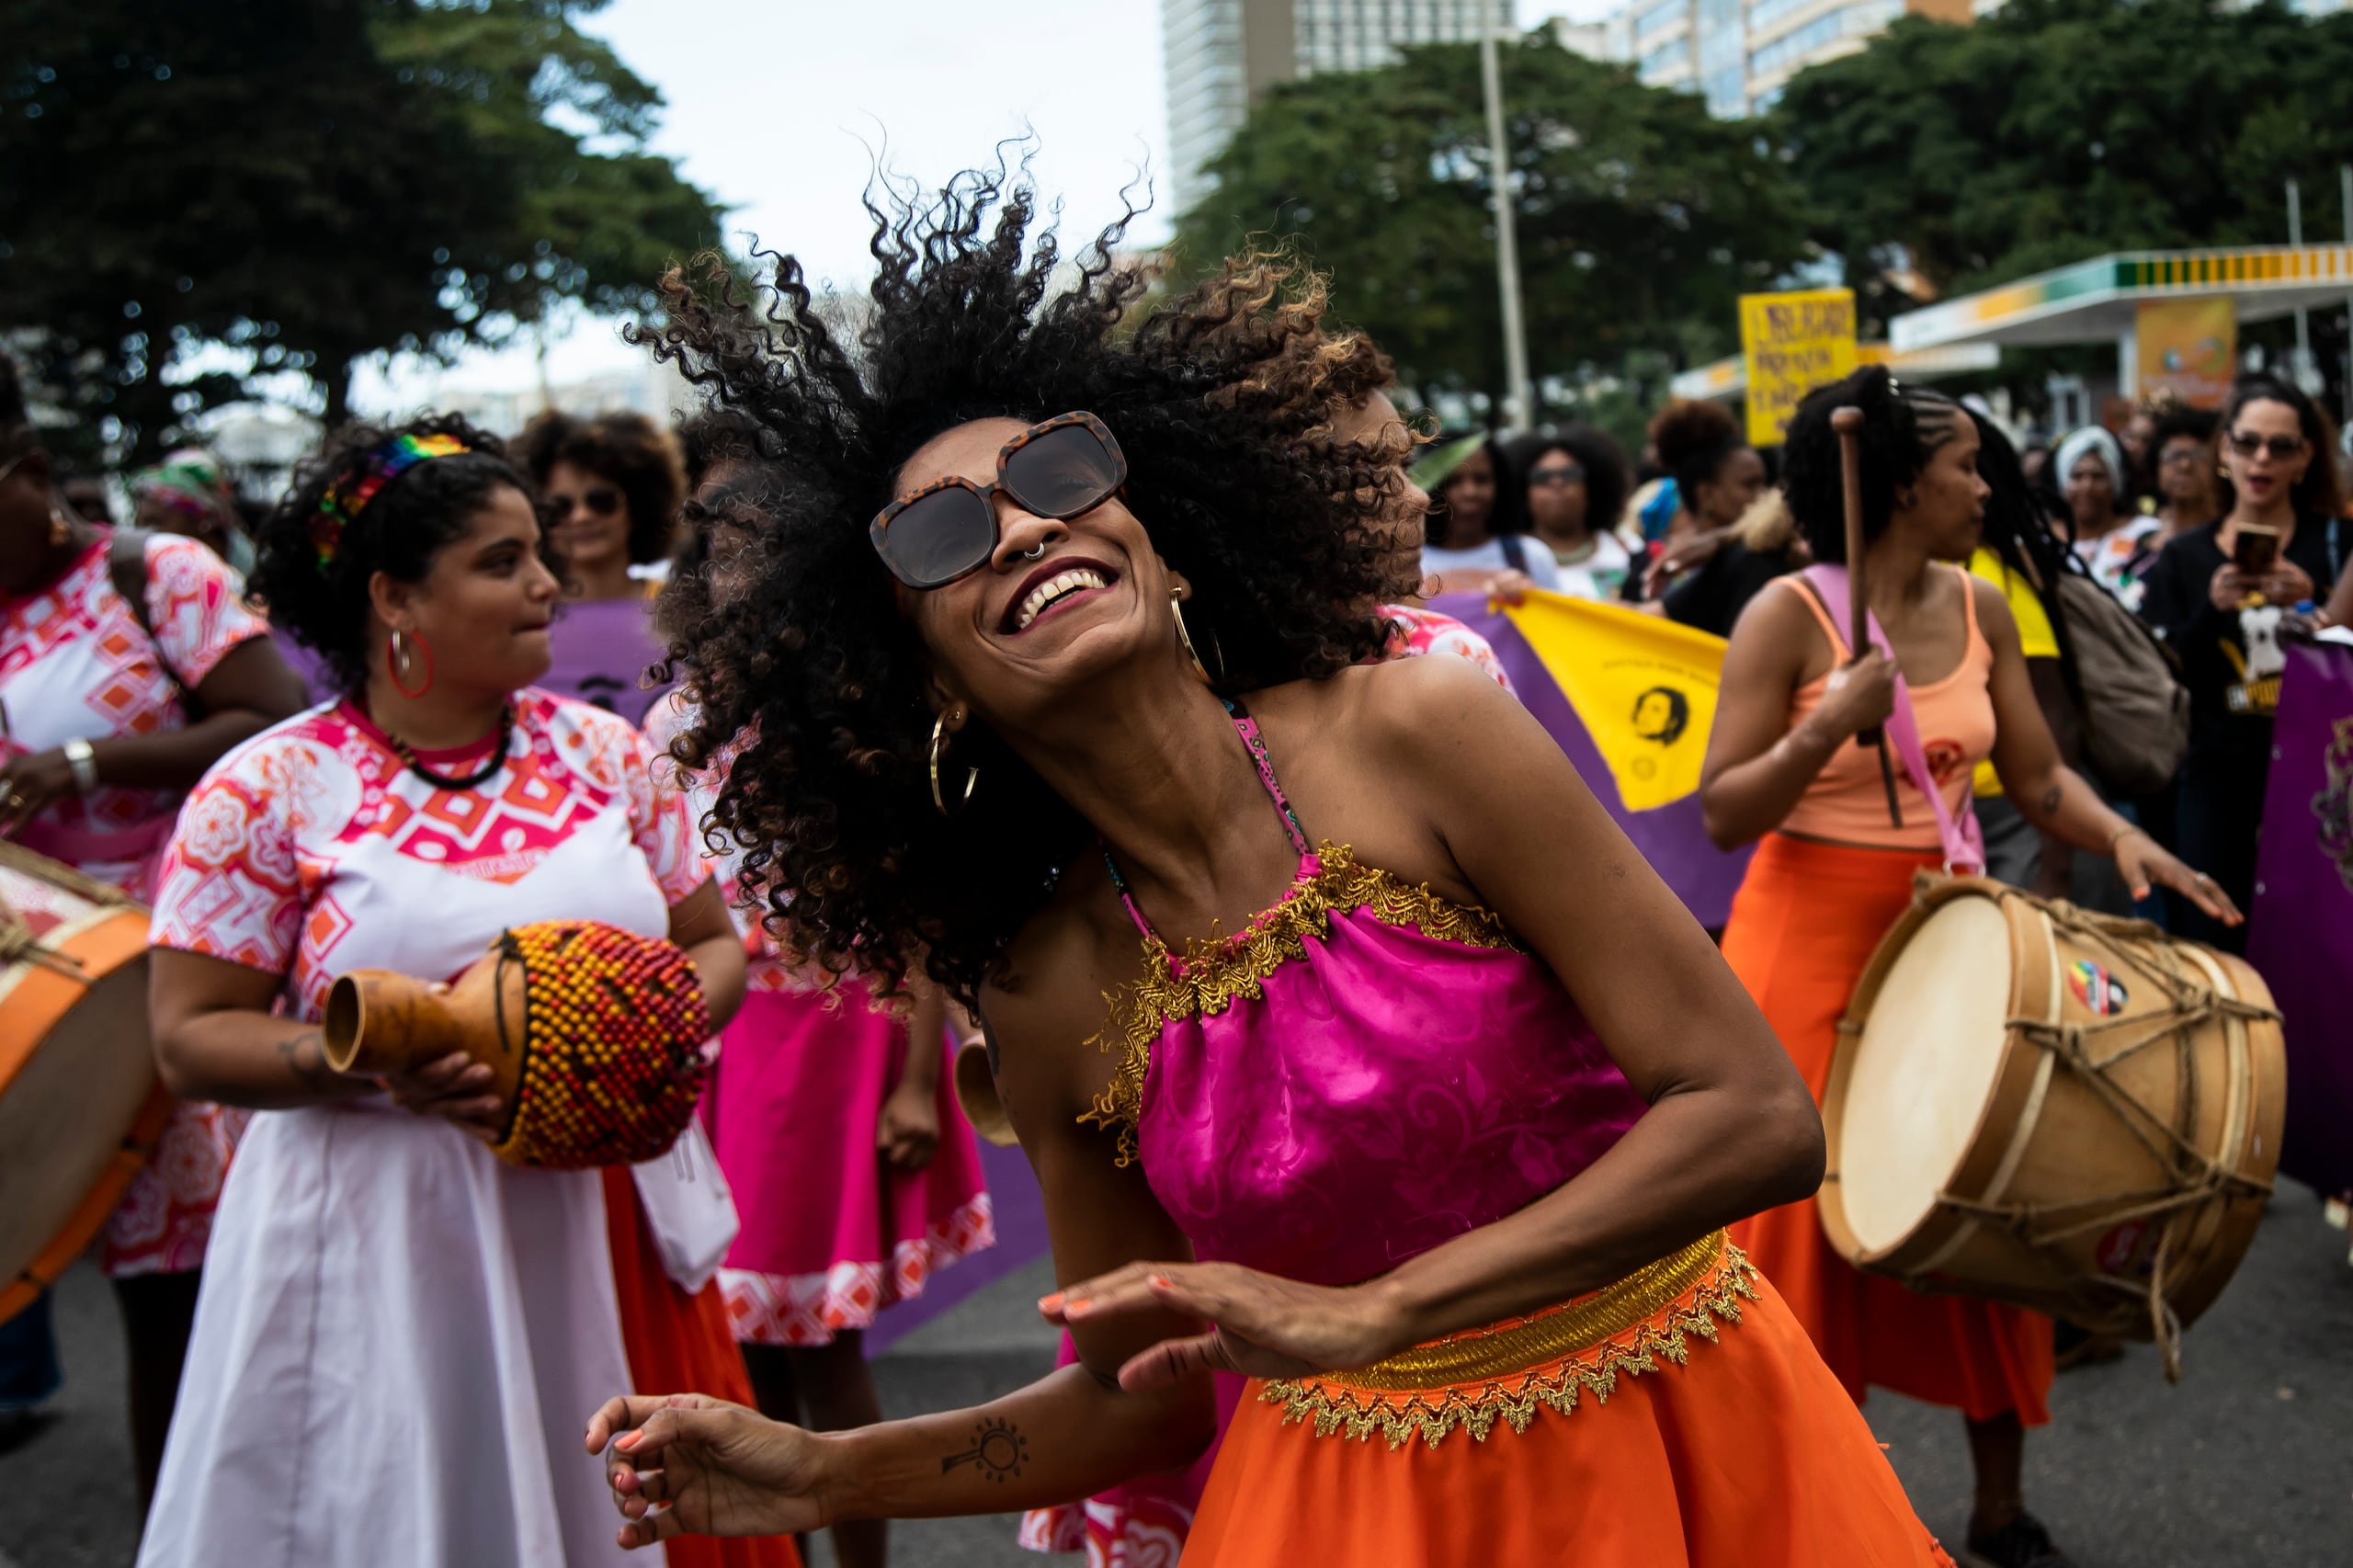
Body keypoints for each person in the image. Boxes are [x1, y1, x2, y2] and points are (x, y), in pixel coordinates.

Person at [586, 168, 1953, 1567]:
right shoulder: (1046, 988)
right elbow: (1133, 1398)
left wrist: (1383, 1309)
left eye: (1059, 473)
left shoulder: (1417, 730)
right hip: (1347, 1516)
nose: (1021, 526)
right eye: (941, 536)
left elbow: (1753, 1116)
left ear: (1167, 549)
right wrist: (822, 1469)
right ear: (923, 676)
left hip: (1683, 1445)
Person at [135, 414, 795, 1568]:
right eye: (502, 562)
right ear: (393, 597)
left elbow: (715, 943)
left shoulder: (610, 753)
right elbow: (188, 1037)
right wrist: (373, 1056)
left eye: (539, 550)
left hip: (607, 1213)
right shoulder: (268, 787)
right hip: (382, 1233)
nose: (549, 582)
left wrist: (623, 1028)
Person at [1701, 367, 2236, 1568]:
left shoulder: (1982, 604)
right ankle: (1823, 1514)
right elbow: (1728, 810)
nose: (1987, 487)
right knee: (1805, 1240)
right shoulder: (1787, 612)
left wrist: (2126, 834)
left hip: (1945, 939)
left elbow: (2039, 781)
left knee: (1996, 1194)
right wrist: (1826, 724)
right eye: (1966, 468)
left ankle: (2001, 1510)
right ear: (1900, 483)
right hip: (1804, 944)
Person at [648, 454, 996, 1568]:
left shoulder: (865, 697)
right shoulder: (675, 714)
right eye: (721, 540)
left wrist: (914, 1079)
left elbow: (916, 904)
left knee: (818, 1340)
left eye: (767, 538)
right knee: (729, 1343)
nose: (741, 563)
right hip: (713, 1042)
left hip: (834, 1044)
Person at [0, 353, 309, 1506]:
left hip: (194, 962)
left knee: (202, 1289)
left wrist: (86, 762)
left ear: (30, 474)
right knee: (113, 1275)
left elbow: (274, 716)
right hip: (49, 985)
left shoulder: (155, 574)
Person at [2138, 376, 2348, 953]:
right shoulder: (2183, 557)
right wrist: (2211, 609)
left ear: (2306, 457)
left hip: (2319, 782)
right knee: (2213, 941)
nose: (2262, 459)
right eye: (2248, 442)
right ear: (2224, 450)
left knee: (2312, 947)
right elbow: (2161, 673)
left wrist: (2321, 603)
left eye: (2280, 447)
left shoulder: (2336, 546)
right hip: (2215, 779)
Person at [517, 409, 688, 602]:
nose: (581, 516)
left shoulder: (678, 605)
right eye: (560, 507)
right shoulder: (525, 614)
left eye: (601, 501)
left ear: (638, 506)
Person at [1643, 398, 1768, 594]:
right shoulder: (1657, 569)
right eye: (1750, 484)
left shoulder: (1765, 551)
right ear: (1706, 494)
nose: (1764, 496)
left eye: (1764, 483)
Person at [1414, 433, 1563, 597]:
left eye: (1481, 479)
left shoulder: (1531, 557)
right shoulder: (1410, 562)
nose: (1470, 493)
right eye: (1454, 481)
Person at [1503, 426, 1632, 599]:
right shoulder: (1507, 555)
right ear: (1523, 492)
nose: (1557, 483)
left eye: (1570, 474)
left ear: (1592, 486)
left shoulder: (1626, 549)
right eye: (1542, 477)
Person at [1660, 489, 1808, 639]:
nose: (1760, 492)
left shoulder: (1745, 552)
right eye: (1749, 484)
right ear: (1706, 493)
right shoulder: (1751, 559)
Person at [2054, 426, 2158, 602]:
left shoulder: (2145, 533)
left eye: (2098, 476)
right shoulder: (2043, 539)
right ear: (2063, 486)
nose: (2087, 487)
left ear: (2115, 483)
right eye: (2077, 477)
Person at [131, 449, 252, 575]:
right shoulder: (148, 570)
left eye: (155, 522)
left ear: (203, 517)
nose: (143, 533)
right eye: (140, 523)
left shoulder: (247, 570)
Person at [2148, 407, 2220, 551]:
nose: (2185, 465)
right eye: (2174, 455)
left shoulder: (2225, 539)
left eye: (2198, 455)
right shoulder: (2145, 538)